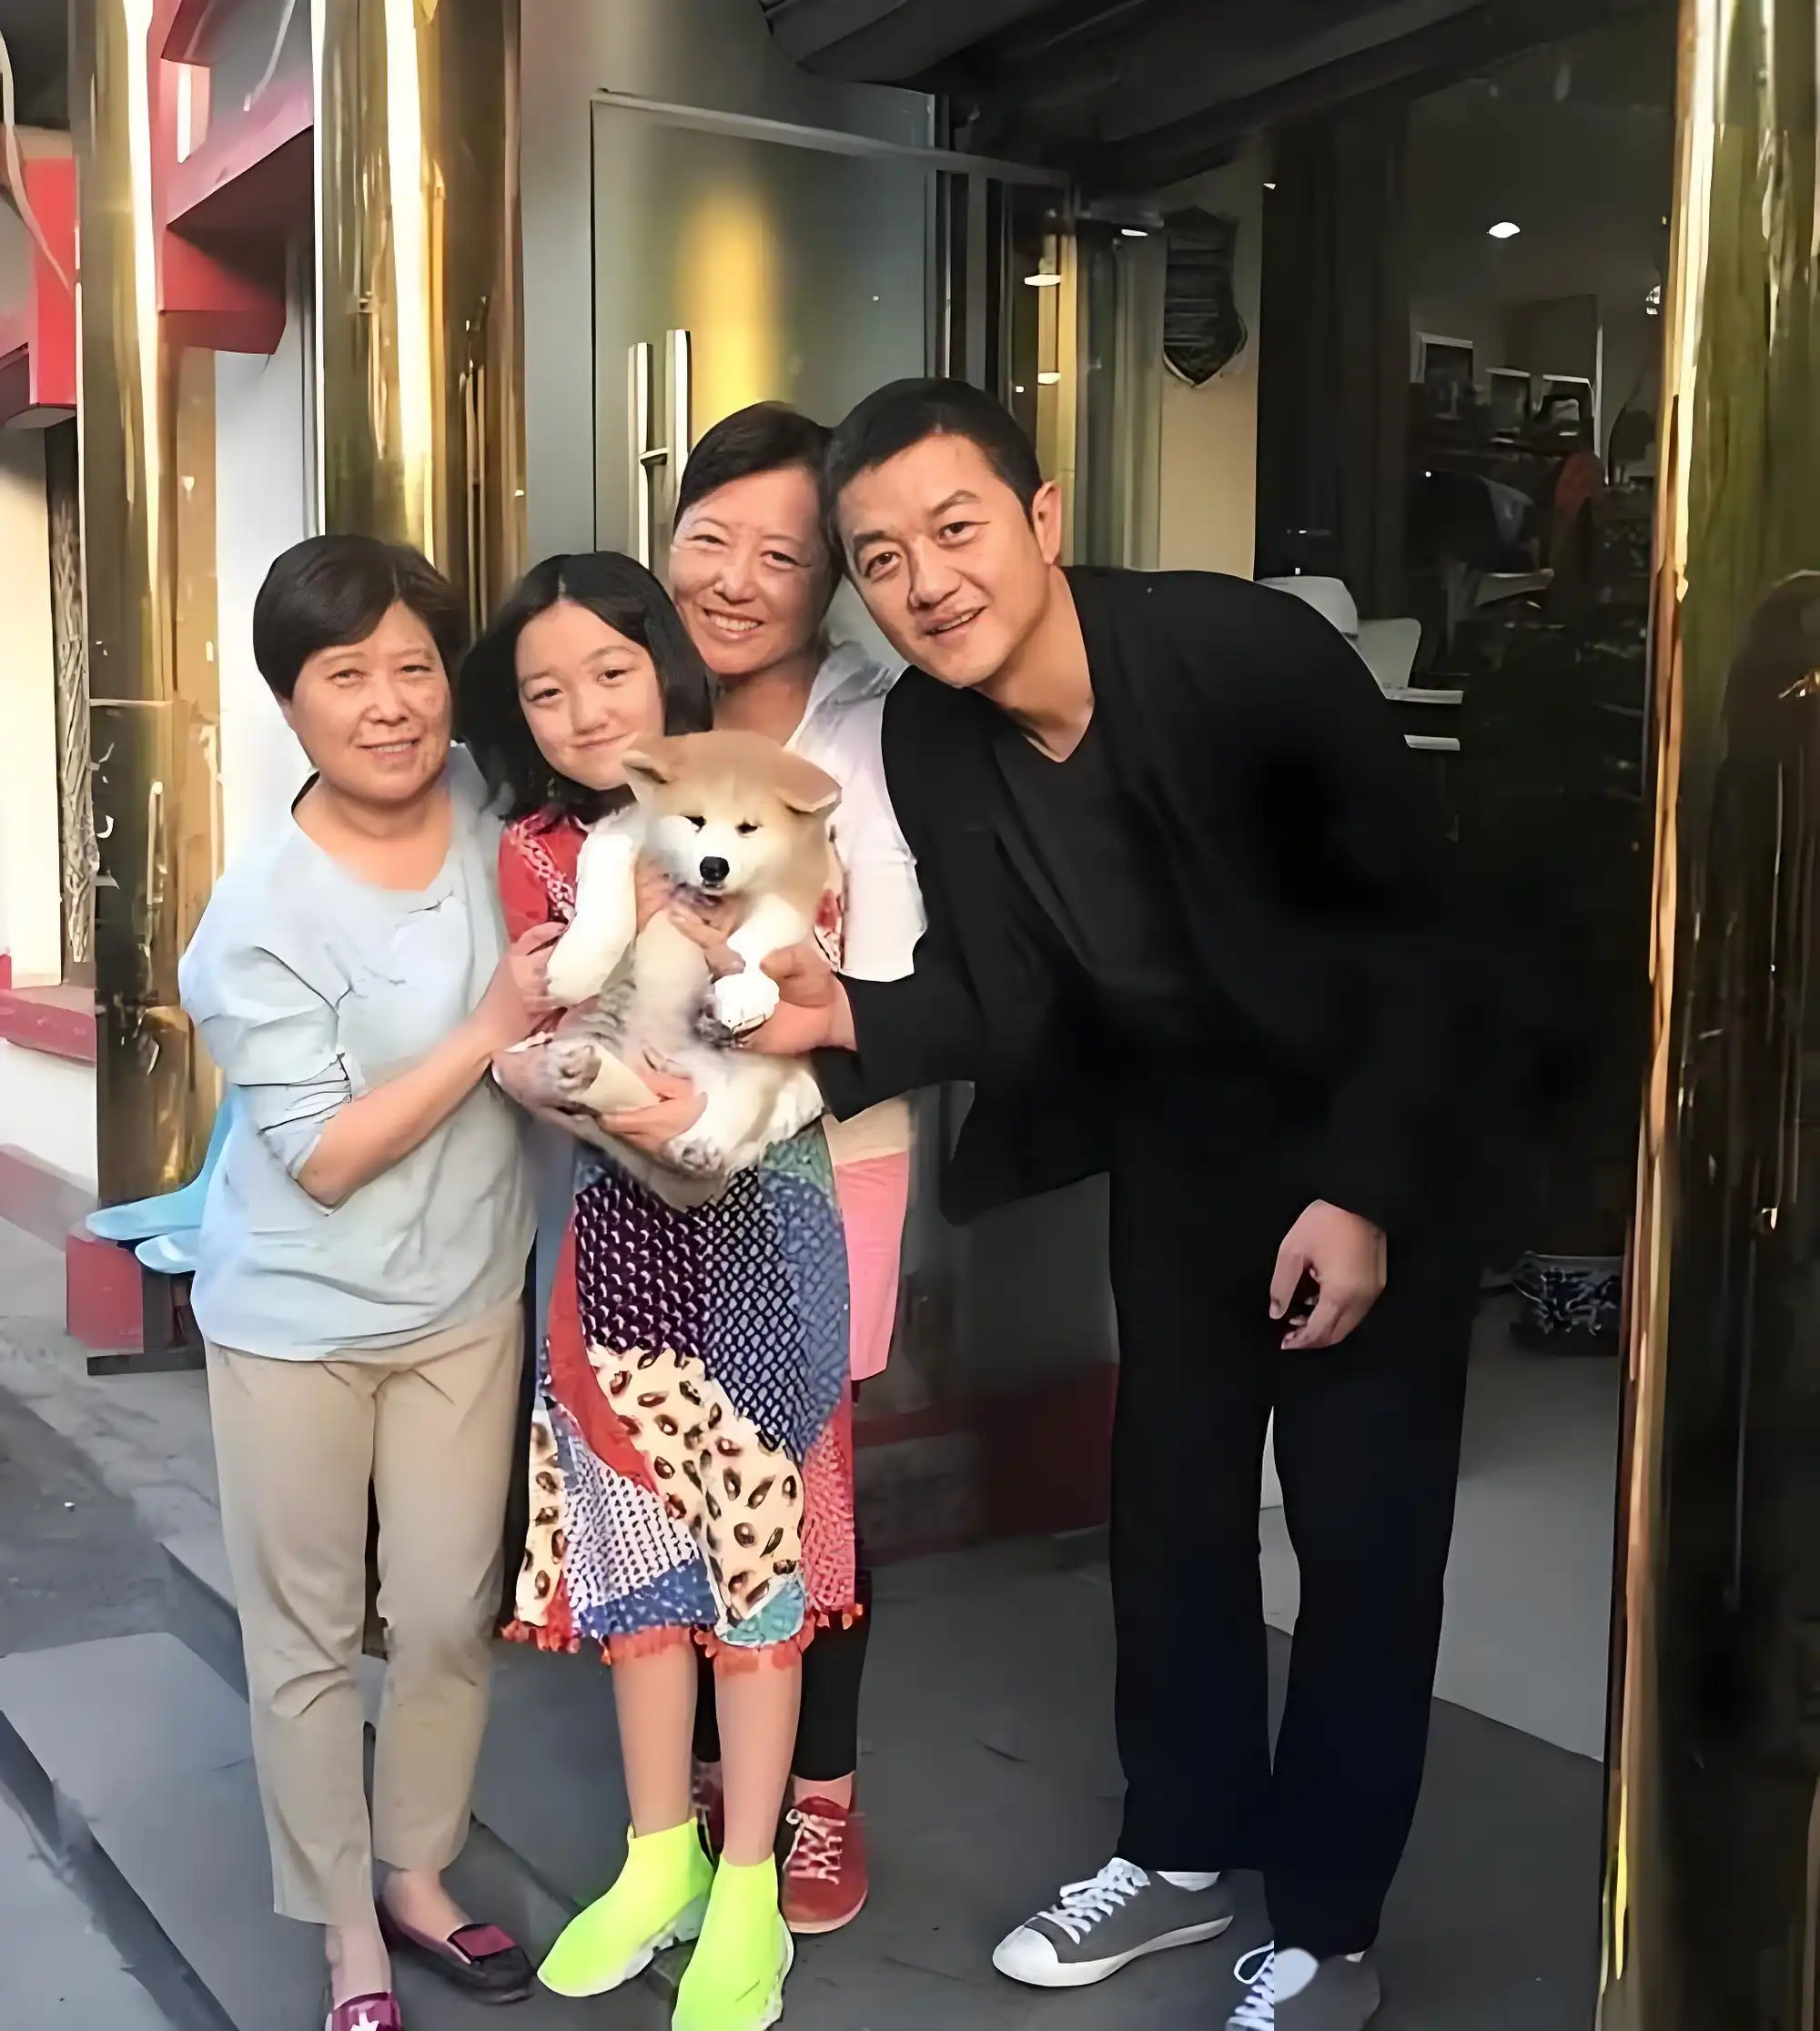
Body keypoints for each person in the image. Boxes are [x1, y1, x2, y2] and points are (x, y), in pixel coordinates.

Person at [723, 381, 1489, 2031]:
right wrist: (848, 1019)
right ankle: (1184, 1848)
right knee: (1173, 1517)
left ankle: (1330, 1929)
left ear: (1044, 516)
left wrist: (1361, 1191)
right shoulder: (936, 735)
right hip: (1184, 1153)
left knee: (1361, 1543)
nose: (927, 583)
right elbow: (1006, 995)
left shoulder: (1244, 656)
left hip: (1372, 1147)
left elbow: (1422, 937)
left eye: (956, 529)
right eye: (881, 559)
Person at [459, 551, 856, 2031]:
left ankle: (747, 1881)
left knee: (756, 1564)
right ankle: (655, 1858)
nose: (582, 711)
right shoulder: (532, 854)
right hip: (613, 1244)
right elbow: (526, 1040)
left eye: (611, 673)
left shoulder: (769, 808)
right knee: (634, 1563)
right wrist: (554, 1071)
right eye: (544, 691)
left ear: (667, 668)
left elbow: (816, 1006)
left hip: (767, 1231)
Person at [178, 535, 550, 2031]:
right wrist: (490, 1027)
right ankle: (345, 1925)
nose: (390, 704)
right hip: (297, 1318)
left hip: (467, 1294)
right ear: (291, 702)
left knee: (452, 1610)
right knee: (311, 1634)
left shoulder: (487, 800)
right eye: (348, 676)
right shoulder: (256, 920)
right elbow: (323, 1158)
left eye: (414, 668)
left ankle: (418, 1873)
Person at [667, 401, 923, 1935]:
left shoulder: (869, 730)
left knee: (802, 1475)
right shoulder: (641, 693)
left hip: (824, 1155)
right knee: (680, 1467)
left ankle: (818, 1794)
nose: (738, 579)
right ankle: (711, 1770)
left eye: (783, 555)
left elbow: (886, 973)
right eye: (713, 539)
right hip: (649, 1158)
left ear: (830, 581)